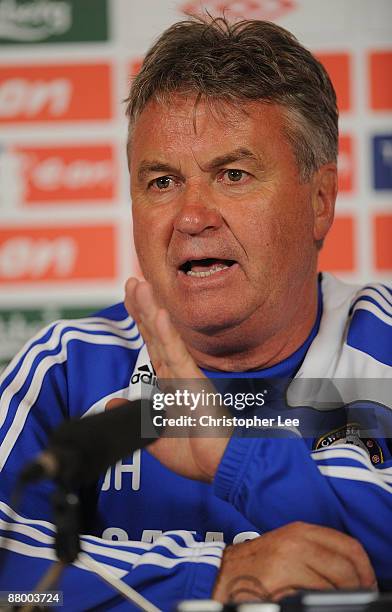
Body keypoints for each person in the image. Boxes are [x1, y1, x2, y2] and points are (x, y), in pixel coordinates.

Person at [0, 15, 391, 611]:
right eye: (162, 181)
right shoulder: (68, 370)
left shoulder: (383, 345)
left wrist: (235, 452)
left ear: (320, 199)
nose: (191, 216)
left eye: (233, 175)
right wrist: (214, 576)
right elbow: (13, 584)